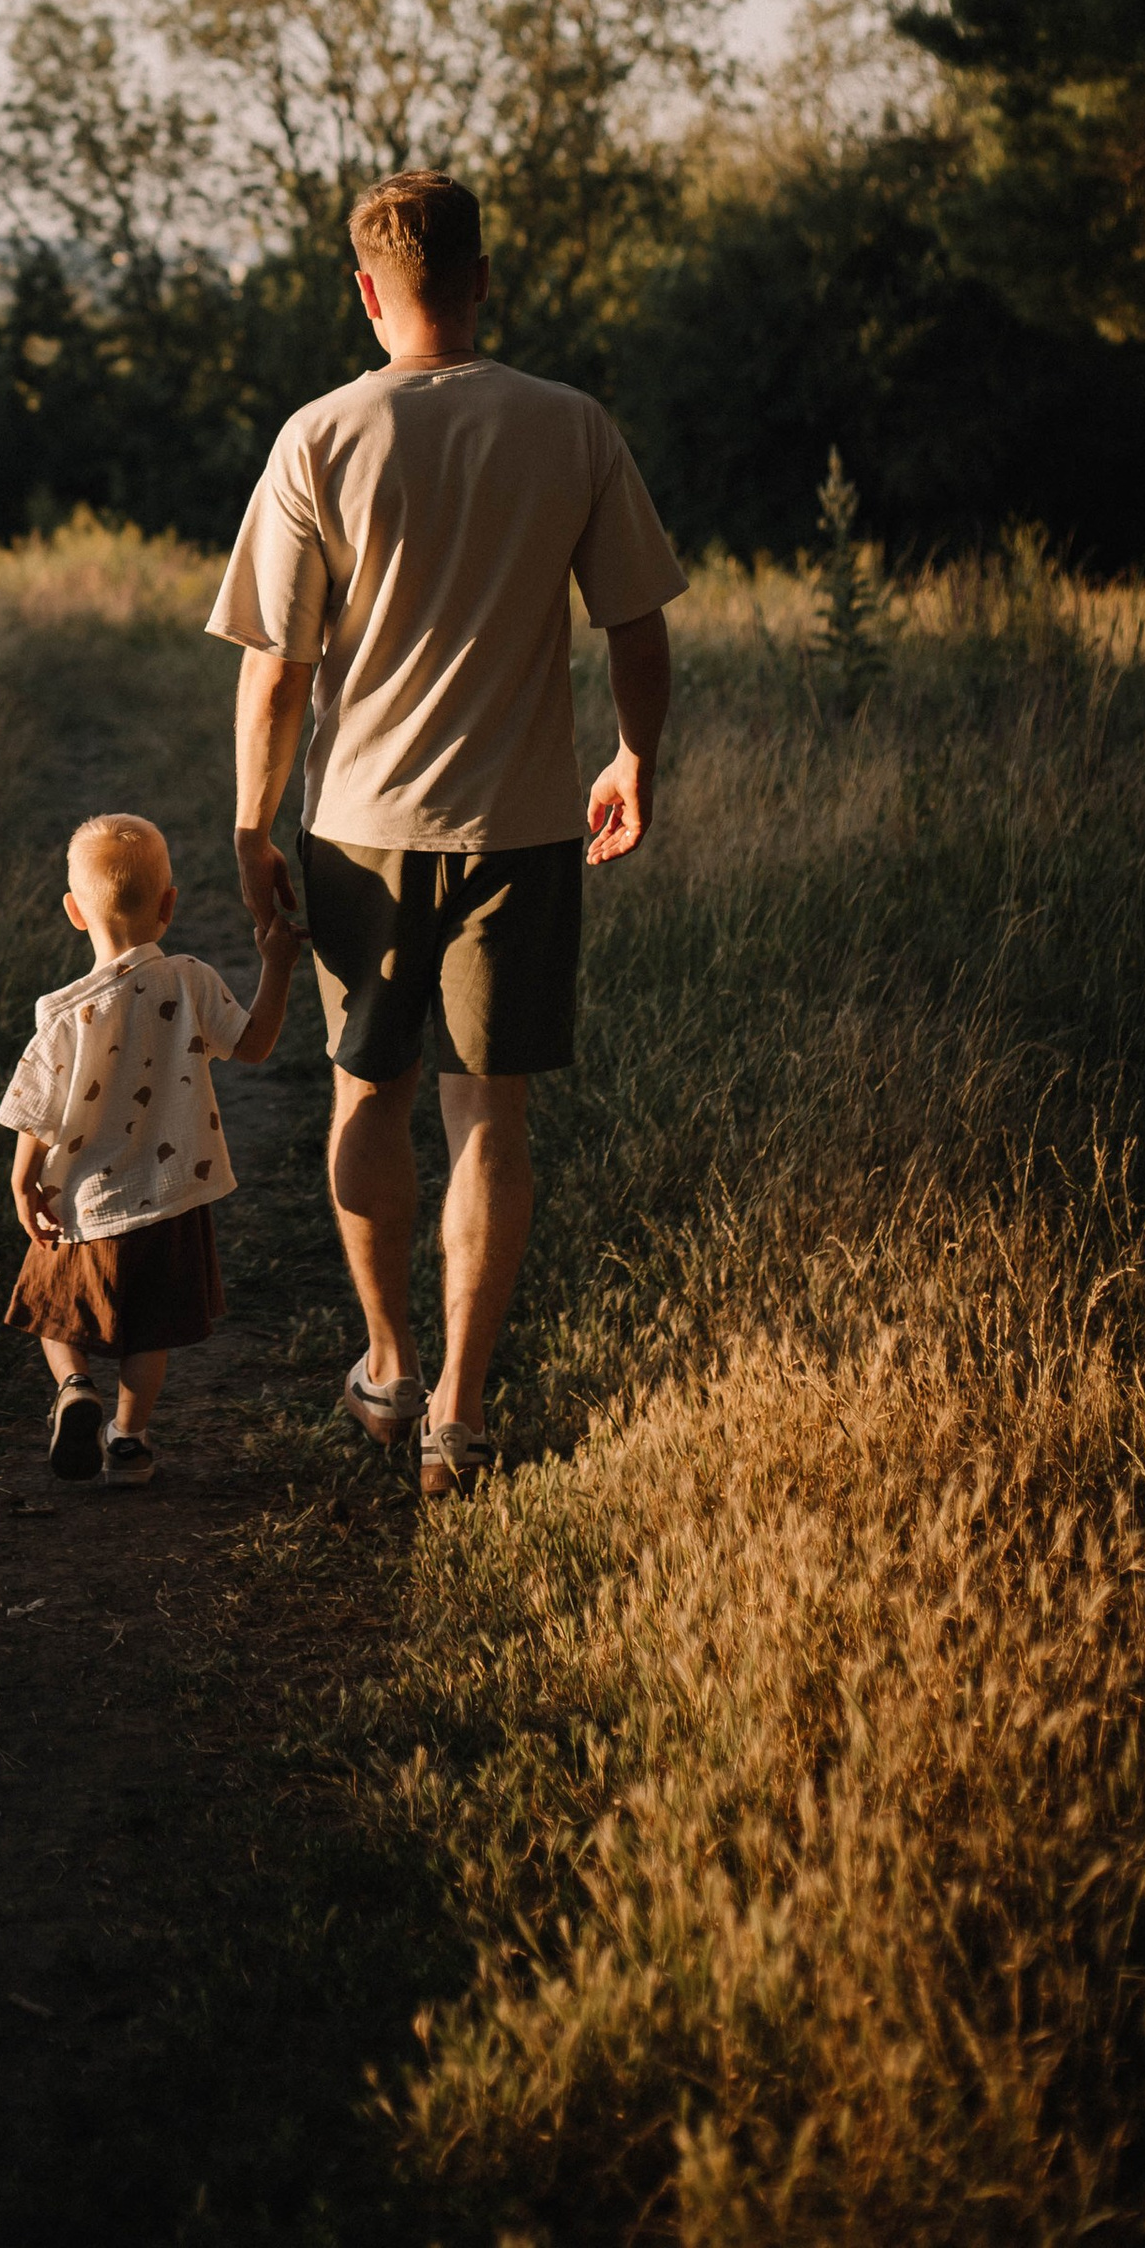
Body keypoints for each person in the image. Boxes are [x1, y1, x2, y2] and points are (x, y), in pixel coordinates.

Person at [208, 169, 685, 1499]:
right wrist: (634, 757)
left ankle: (388, 1363)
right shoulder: (572, 425)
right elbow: (636, 626)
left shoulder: (320, 436)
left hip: (358, 832)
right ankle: (462, 1419)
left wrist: (254, 821)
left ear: (368, 295)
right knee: (493, 1119)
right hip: (524, 828)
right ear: (483, 282)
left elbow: (278, 666)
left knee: (369, 1092)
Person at [0, 811, 297, 1488]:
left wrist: (23, 1183)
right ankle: (129, 1438)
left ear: (74, 912)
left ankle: (74, 1385)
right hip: (170, 1198)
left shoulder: (64, 1013)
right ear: (169, 906)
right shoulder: (189, 979)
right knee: (149, 1330)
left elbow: (35, 1111)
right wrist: (276, 965)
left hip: (83, 1202)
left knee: (53, 1312)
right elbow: (254, 1045)